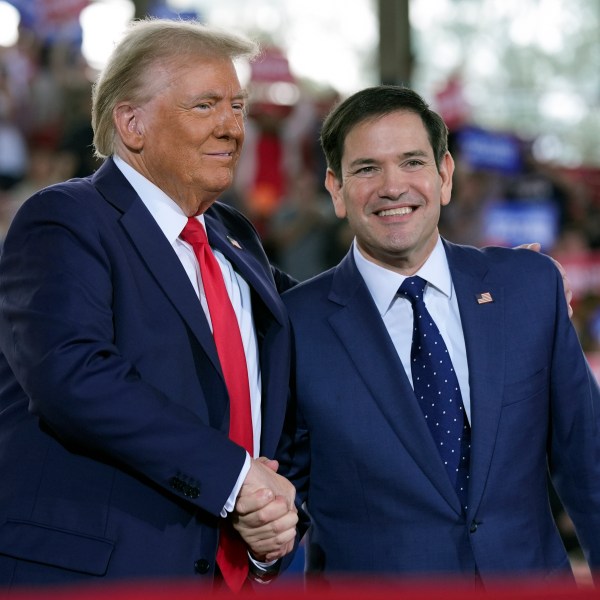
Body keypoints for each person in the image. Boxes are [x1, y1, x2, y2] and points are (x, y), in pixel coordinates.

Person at [234, 85, 600, 585]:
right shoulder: (294, 324)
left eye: (411, 162)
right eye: (366, 169)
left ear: (444, 175)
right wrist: (263, 547)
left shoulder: (529, 287)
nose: (393, 186)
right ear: (336, 189)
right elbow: (283, 501)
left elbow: (589, 463)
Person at [0, 19, 297, 591]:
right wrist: (237, 479)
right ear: (132, 124)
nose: (232, 127)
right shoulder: (66, 219)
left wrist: (273, 523)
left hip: (218, 575)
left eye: (237, 106)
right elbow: (74, 376)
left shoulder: (233, 237)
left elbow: (314, 328)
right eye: (205, 105)